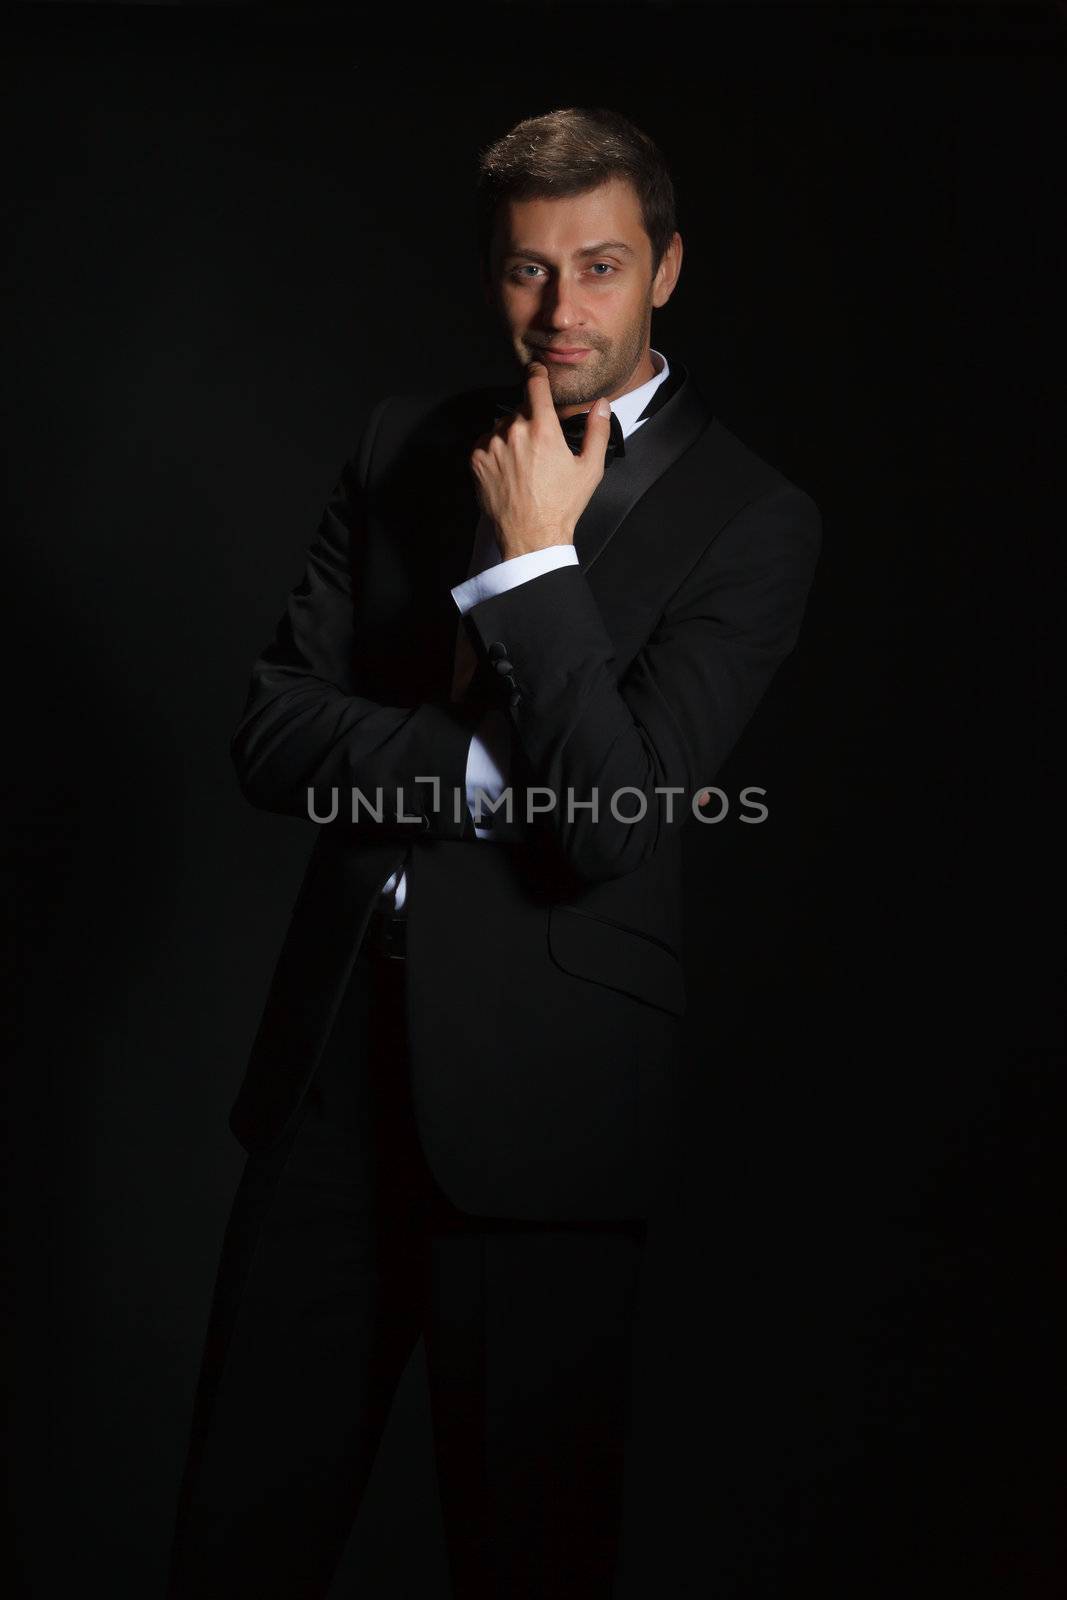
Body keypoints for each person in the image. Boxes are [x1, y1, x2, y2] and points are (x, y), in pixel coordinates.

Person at [165, 105, 822, 1599]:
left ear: (665, 268)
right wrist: (471, 766)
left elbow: (608, 827)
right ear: (491, 278)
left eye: (599, 267)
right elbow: (270, 730)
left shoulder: (756, 519)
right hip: (331, 1077)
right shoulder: (405, 442)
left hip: (548, 1107)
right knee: (233, 1541)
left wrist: (534, 564)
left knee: (529, 1556)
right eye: (529, 272)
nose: (562, 310)